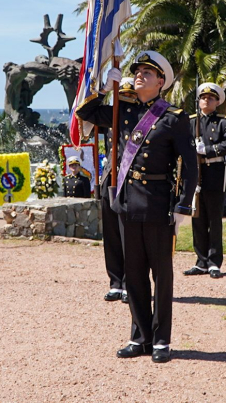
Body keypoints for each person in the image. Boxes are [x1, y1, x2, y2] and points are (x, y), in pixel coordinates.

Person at [75, 50, 197, 364]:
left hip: (158, 204)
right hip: (126, 202)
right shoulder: (122, 109)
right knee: (134, 274)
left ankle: (161, 340)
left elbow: (192, 166)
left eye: (147, 72)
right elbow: (84, 113)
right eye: (138, 70)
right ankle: (140, 337)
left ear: (161, 82)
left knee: (162, 275)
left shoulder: (174, 117)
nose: (139, 74)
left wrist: (184, 205)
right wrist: (102, 89)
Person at [184, 82, 226, 279]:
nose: (206, 100)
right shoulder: (190, 122)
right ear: (198, 101)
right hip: (195, 174)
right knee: (197, 218)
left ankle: (214, 262)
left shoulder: (224, 122)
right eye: (203, 97)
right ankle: (201, 261)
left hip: (214, 172)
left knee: (214, 219)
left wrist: (207, 150)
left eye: (211, 98)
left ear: (217, 102)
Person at [99, 78, 137, 303]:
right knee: (111, 233)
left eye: (128, 96)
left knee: (129, 235)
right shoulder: (111, 116)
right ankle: (115, 281)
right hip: (109, 179)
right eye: (120, 95)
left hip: (130, 180)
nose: (124, 100)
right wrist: (102, 90)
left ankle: (130, 283)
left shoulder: (141, 117)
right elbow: (84, 112)